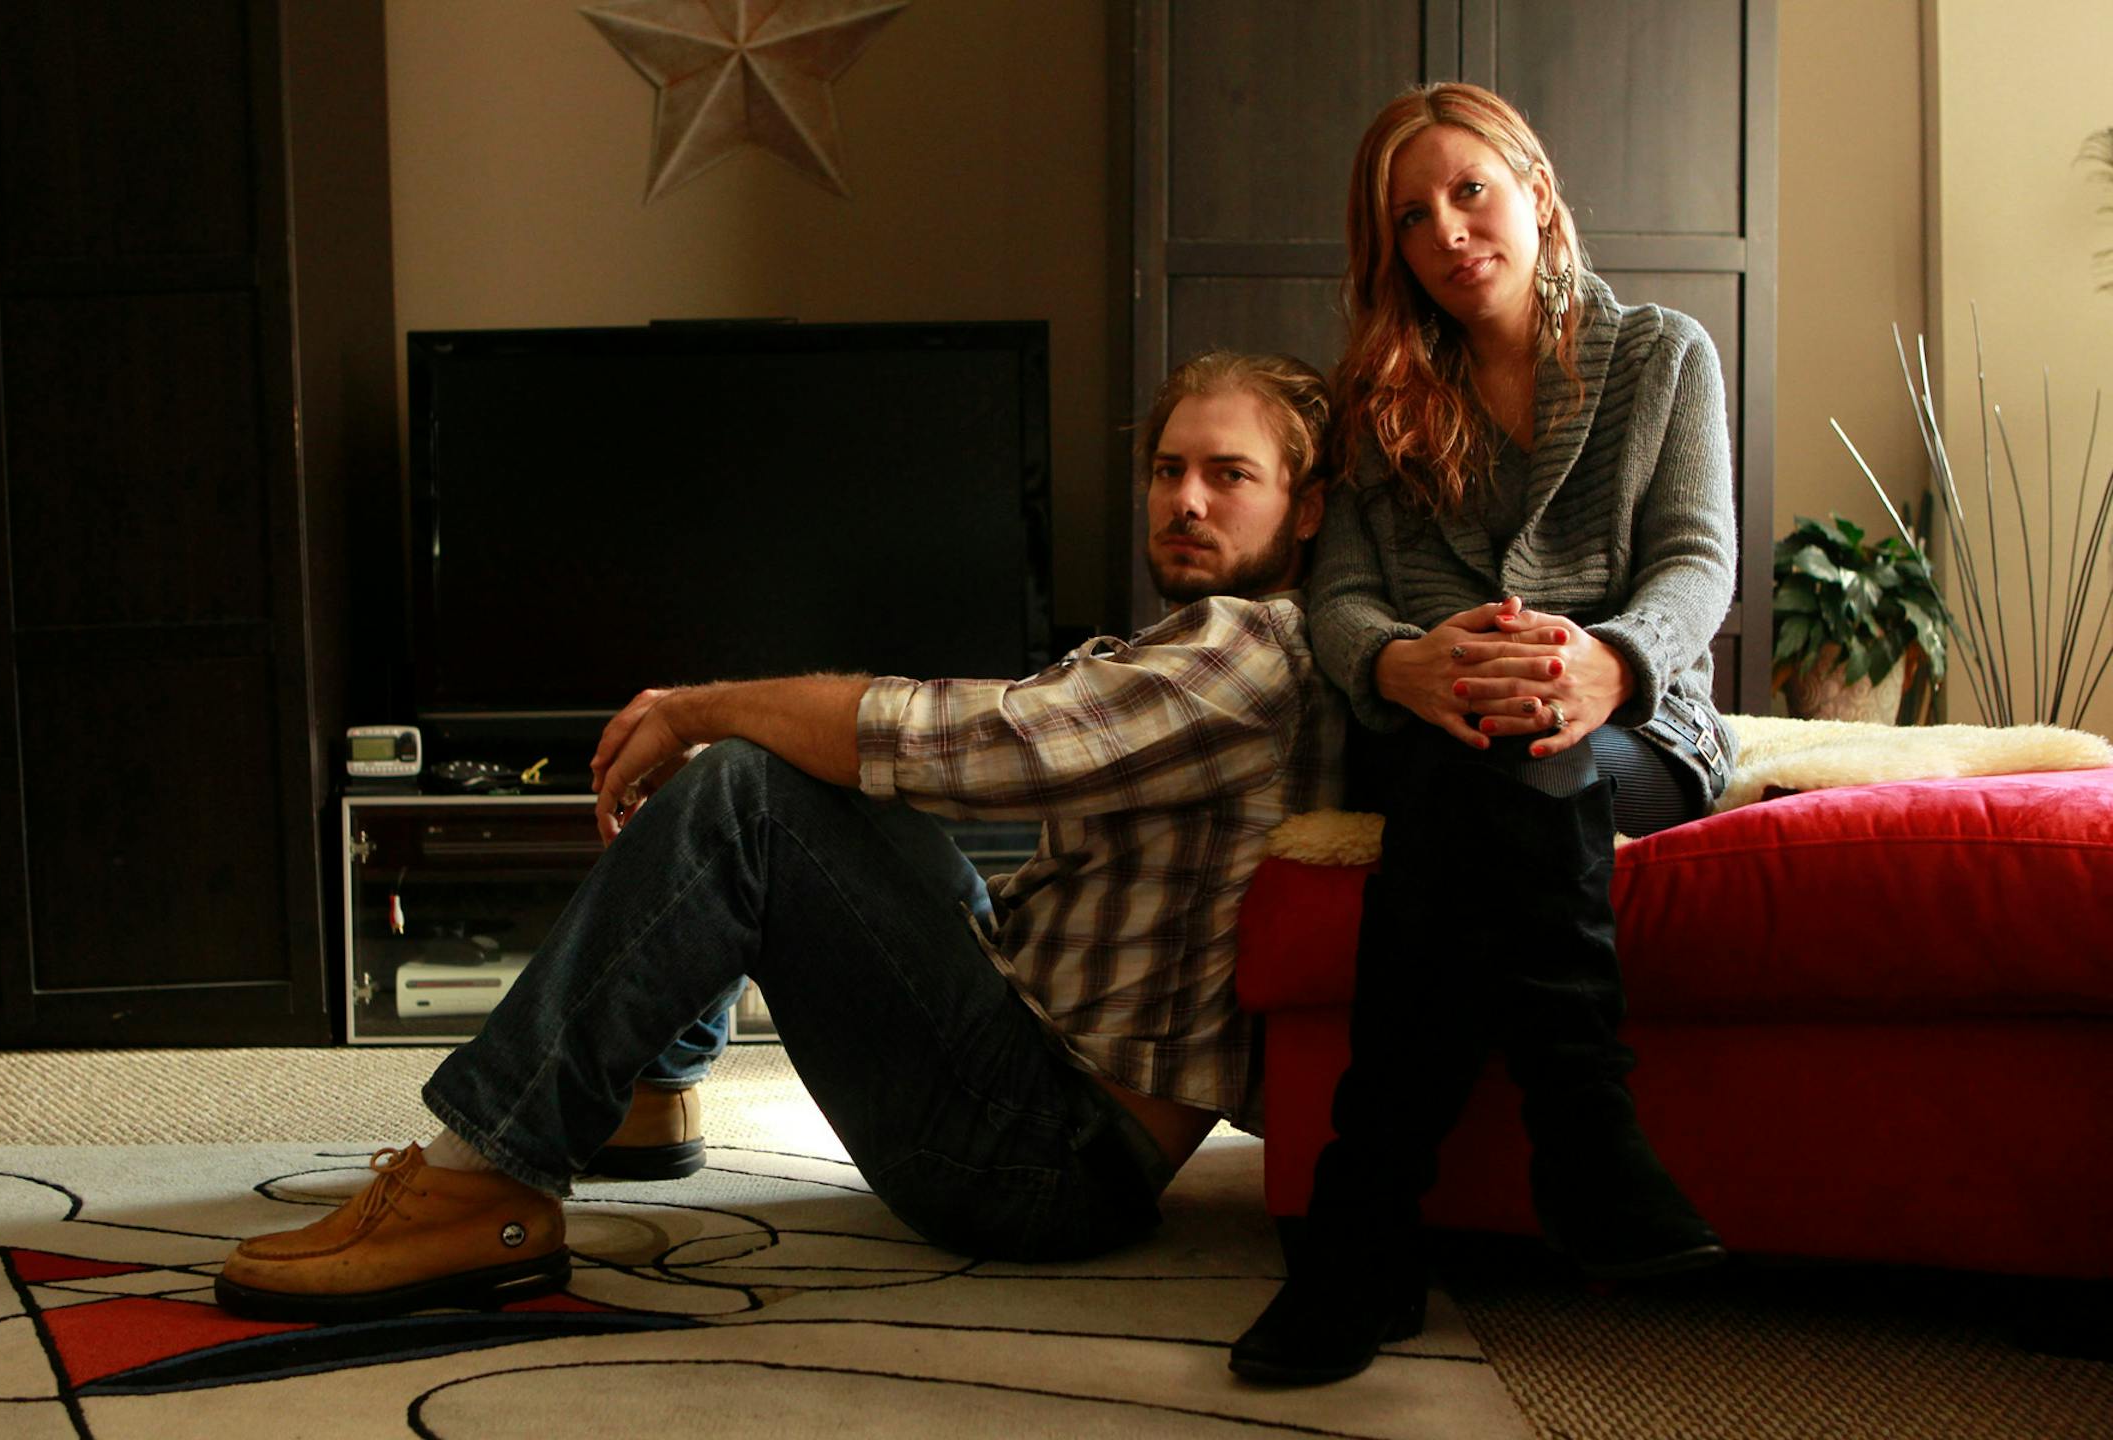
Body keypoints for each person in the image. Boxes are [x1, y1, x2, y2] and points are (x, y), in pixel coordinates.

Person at [214, 350, 1346, 1322]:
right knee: (783, 777)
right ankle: (650, 1094)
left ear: (1302, 506)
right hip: (1043, 1086)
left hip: (1039, 1160)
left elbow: (985, 744)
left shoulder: (1252, 649)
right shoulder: (1229, 646)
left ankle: (482, 1180)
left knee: (749, 791)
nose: (1186, 499)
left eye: (1228, 475)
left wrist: (697, 704)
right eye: (1168, 470)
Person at [1228, 82, 1740, 1386]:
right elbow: (1337, 595)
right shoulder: (1381, 399)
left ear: (1536, 190)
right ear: (1389, 249)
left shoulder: (1664, 355)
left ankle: (1360, 1233)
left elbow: (1695, 564)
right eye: (1414, 216)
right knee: (1480, 775)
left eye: (1471, 192)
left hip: (1631, 731)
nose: (1450, 230)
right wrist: (1401, 664)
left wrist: (1609, 667)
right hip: (1440, 726)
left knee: (1506, 786)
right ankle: (1590, 1152)